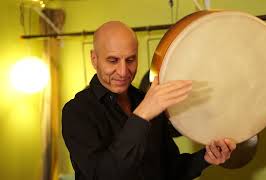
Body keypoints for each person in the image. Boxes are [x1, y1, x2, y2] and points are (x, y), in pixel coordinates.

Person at [62, 21, 236, 180]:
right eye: (113, 60)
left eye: (130, 60)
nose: (123, 72)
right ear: (94, 59)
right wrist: (142, 115)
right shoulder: (77, 112)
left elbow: (170, 170)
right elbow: (104, 175)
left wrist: (205, 157)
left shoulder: (147, 100)